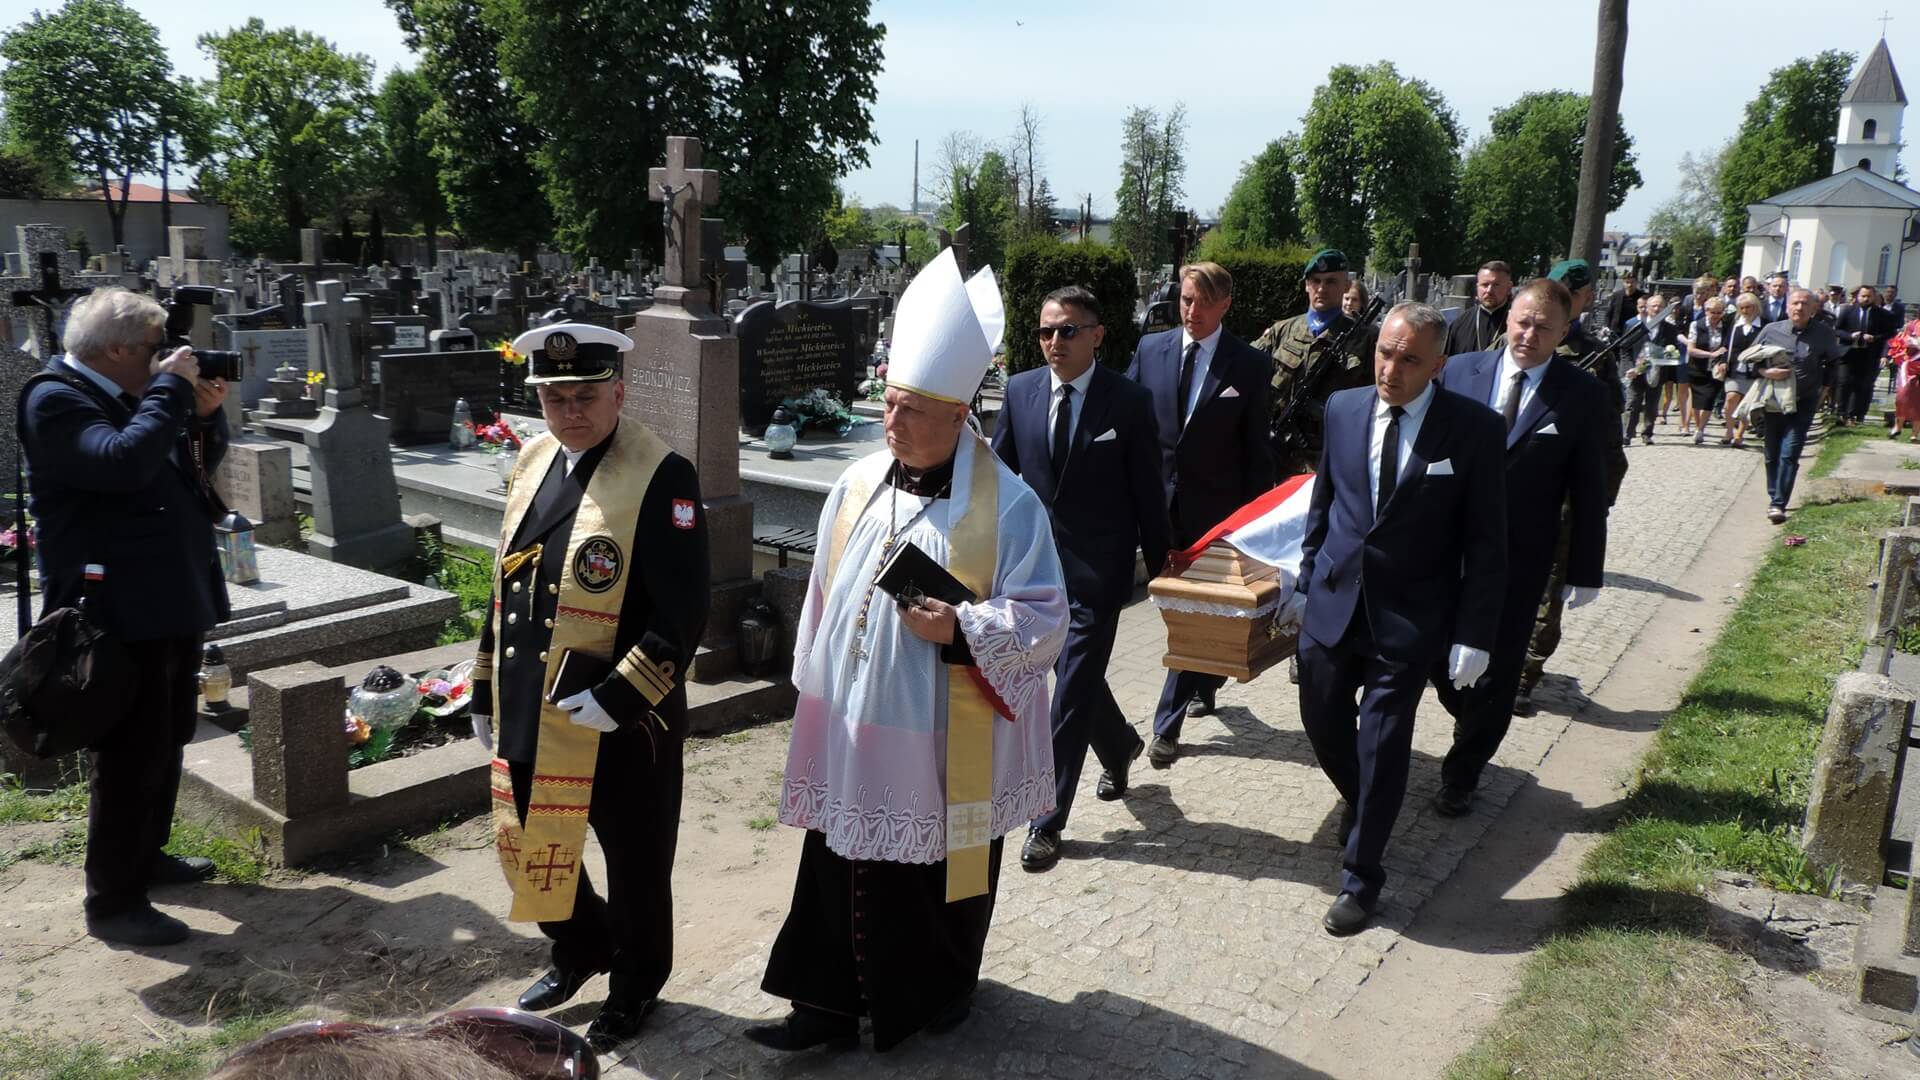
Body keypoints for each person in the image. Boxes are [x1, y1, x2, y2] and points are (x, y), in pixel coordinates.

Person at [748, 249, 1067, 1054]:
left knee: (938, 875)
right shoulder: (856, 486)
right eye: (888, 405)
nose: (893, 424)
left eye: (912, 412)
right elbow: (822, 596)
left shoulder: (1010, 506)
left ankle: (933, 991)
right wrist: (814, 696)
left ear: (960, 416)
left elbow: (1045, 619)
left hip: (941, 732)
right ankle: (819, 1007)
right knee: (837, 858)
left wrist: (960, 630)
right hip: (855, 726)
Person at [470, 321, 710, 1050]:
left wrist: (619, 698)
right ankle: (580, 947)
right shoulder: (536, 459)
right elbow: (507, 584)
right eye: (554, 396)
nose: (571, 411)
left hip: (622, 720)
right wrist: (484, 683)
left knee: (635, 862)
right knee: (532, 840)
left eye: (585, 395)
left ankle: (637, 983)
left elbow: (682, 612)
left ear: (618, 390)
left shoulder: (661, 473)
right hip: (533, 703)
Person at [20, 287, 229, 947]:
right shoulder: (56, 398)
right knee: (130, 751)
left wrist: (199, 417)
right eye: (155, 347)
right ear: (115, 350)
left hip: (166, 592)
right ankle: (113, 902)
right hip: (113, 607)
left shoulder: (129, 392)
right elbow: (122, 464)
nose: (169, 357)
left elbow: (184, 470)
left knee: (167, 736)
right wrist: (169, 394)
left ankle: (149, 857)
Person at [1293, 301, 1506, 935]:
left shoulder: (1473, 430)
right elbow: (1325, 500)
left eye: (1409, 359)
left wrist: (1474, 633)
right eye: (1385, 352)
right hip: (1334, 604)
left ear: (1438, 365)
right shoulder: (1343, 408)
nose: (1391, 368)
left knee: (1383, 742)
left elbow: (1487, 542)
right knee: (1321, 718)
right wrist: (1306, 580)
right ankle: (1366, 803)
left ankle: (1362, 877)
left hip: (1410, 617)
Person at [992, 285, 1170, 872]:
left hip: (1099, 571)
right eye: (1045, 331)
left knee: (1066, 693)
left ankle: (1047, 820)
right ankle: (1118, 745)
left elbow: (1149, 488)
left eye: (1067, 330)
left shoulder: (1128, 400)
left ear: (1097, 334)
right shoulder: (1019, 391)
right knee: (1074, 677)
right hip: (1034, 570)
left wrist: (1164, 561)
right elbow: (998, 477)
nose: (1054, 342)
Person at [1430, 280, 1609, 811]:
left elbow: (1589, 488)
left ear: (1563, 332)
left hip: (1519, 556)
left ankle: (1463, 774)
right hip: (1447, 548)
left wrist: (1584, 568)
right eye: (1523, 322)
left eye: (1544, 327)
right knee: (1440, 660)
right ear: (1509, 317)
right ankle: (1471, 715)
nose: (1529, 334)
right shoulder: (1460, 372)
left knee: (1501, 665)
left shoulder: (1579, 395)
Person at [1132, 261, 1275, 766]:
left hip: (1215, 513)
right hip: (1156, 505)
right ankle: (1205, 676)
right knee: (1176, 609)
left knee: (1187, 613)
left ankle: (1165, 727)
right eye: (1186, 300)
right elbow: (1129, 420)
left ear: (1225, 306)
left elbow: (1257, 451)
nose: (1191, 311)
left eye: (1203, 302)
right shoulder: (1151, 350)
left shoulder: (1250, 366)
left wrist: (1255, 527)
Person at [1514, 260, 1629, 717]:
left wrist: (1596, 508)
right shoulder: (1512, 345)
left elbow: (1607, 444)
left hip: (1559, 502)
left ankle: (1525, 676)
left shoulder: (1595, 358)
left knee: (1547, 594)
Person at [1255, 248, 1377, 478]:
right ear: (1306, 285)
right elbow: (1245, 371)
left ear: (1346, 286)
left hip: (1334, 463)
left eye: (1331, 281)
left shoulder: (1367, 339)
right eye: (1315, 281)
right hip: (1278, 457)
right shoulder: (1282, 331)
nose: (1321, 289)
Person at [1753, 288, 1843, 523]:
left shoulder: (1823, 333)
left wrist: (1824, 390)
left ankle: (1778, 502)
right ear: (1787, 306)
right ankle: (1774, 493)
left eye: (1805, 304)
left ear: (1814, 308)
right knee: (1771, 452)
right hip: (1775, 401)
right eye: (1795, 303)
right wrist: (1765, 371)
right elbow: (1748, 360)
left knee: (1790, 452)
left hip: (1804, 400)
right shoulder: (1771, 331)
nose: (1799, 308)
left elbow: (1833, 363)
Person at [1625, 293, 1683, 445]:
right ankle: (1627, 434)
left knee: (1652, 405)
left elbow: (1673, 351)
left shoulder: (1670, 329)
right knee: (1632, 404)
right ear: (1647, 307)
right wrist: (1630, 368)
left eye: (1660, 306)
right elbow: (1624, 349)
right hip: (1636, 373)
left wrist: (1665, 357)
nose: (1657, 309)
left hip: (1657, 373)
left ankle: (1647, 433)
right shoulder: (1635, 326)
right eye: (1654, 306)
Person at [1836, 285, 1894, 425]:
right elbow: (1837, 330)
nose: (1866, 299)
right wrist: (1850, 336)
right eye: (1863, 296)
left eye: (1869, 296)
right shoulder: (1847, 311)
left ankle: (1854, 415)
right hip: (1849, 353)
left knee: (1862, 385)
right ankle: (1840, 413)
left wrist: (1874, 338)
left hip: (1869, 354)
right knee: (1844, 382)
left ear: (1873, 297)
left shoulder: (1882, 314)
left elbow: (1889, 334)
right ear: (1857, 296)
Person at [1721, 292, 1767, 448]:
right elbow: (1726, 346)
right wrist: (1722, 361)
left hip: (1754, 371)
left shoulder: (1764, 325)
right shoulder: (1735, 325)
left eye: (1748, 307)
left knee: (1746, 405)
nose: (1745, 311)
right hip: (1735, 369)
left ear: (1756, 307)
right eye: (1742, 308)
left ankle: (1740, 434)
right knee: (1731, 399)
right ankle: (1729, 430)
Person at [1685, 296, 1731, 444]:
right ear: (1706, 311)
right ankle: (1698, 425)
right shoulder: (1696, 325)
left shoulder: (1726, 326)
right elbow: (1691, 350)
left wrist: (1722, 359)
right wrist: (1711, 354)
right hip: (1697, 367)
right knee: (1697, 400)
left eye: (1719, 312)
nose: (1716, 316)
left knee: (1709, 398)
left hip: (1716, 369)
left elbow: (1727, 347)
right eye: (1713, 312)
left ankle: (1700, 429)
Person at [1445, 261, 1514, 356]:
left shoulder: (1520, 323)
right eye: (1485, 285)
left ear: (1509, 288)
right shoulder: (1460, 323)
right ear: (1477, 286)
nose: (1489, 291)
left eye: (1496, 285)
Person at [1887, 306, 1920, 442]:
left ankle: (1914, 434)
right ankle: (1898, 426)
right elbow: (1903, 341)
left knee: (1918, 400)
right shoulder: (1912, 325)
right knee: (1902, 396)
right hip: (1909, 366)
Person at [1603, 269, 1643, 336]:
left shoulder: (1641, 296)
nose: (1630, 285)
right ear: (1623, 283)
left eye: (1632, 282)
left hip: (1632, 330)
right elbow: (1609, 313)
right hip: (1615, 330)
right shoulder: (1616, 295)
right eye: (1627, 282)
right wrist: (1606, 326)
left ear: (1636, 283)